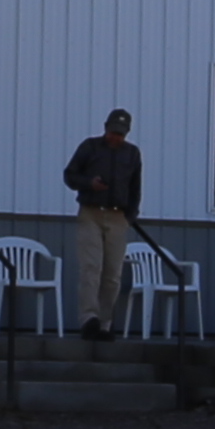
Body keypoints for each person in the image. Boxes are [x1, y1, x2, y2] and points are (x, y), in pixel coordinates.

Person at [63, 110, 144, 339]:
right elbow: (70, 175)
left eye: (119, 134)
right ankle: (89, 319)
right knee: (91, 268)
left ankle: (105, 324)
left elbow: (135, 188)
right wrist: (90, 183)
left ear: (126, 133)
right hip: (91, 212)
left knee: (112, 275)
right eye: (112, 132)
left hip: (118, 217)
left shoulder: (133, 154)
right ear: (105, 128)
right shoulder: (90, 147)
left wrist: (130, 216)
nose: (114, 138)